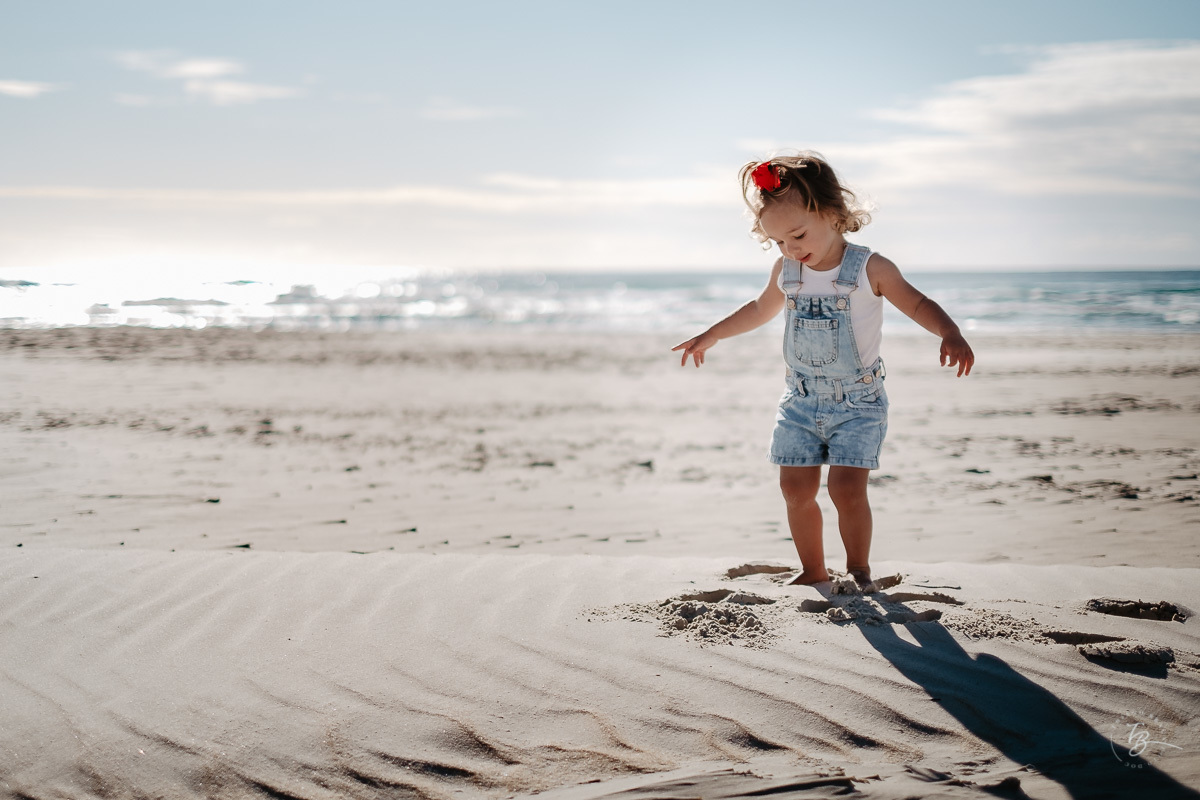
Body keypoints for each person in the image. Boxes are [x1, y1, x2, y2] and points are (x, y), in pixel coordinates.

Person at [672, 152, 974, 588]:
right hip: (799, 400)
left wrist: (949, 332)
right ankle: (813, 570)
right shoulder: (788, 270)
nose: (791, 249)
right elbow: (759, 310)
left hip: (858, 401)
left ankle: (858, 569)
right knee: (795, 490)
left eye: (796, 235)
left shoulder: (871, 268)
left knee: (846, 491)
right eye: (778, 242)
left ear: (833, 214)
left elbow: (918, 303)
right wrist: (713, 334)